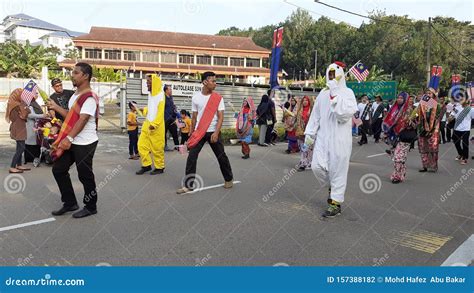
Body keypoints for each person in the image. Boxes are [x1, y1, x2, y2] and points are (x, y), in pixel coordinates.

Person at [304, 62, 357, 218]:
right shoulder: (322, 93)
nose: (332, 77)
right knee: (316, 166)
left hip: (340, 140)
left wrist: (334, 92)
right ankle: (332, 187)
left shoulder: (348, 93)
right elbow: (316, 115)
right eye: (330, 74)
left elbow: (343, 115)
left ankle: (335, 203)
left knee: (338, 171)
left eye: (334, 74)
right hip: (323, 137)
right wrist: (310, 134)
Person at [47, 62, 100, 218]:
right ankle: (70, 203)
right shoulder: (75, 96)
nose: (72, 75)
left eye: (76, 72)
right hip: (72, 140)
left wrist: (68, 138)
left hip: (85, 142)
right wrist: (56, 107)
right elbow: (71, 116)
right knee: (58, 169)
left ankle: (91, 206)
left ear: (85, 76)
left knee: (85, 175)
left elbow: (82, 120)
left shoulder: (89, 97)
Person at [177, 71, 233, 194]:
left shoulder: (218, 98)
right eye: (213, 81)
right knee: (192, 157)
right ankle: (188, 185)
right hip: (200, 132)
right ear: (205, 82)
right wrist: (191, 133)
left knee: (221, 156)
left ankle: (229, 179)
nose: (215, 84)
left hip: (213, 131)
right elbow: (194, 117)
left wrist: (216, 132)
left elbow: (221, 117)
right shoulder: (196, 97)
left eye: (215, 81)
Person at [136, 74, 166, 175]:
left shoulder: (161, 95)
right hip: (147, 123)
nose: (147, 84)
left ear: (155, 83)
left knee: (157, 148)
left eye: (149, 82)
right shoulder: (151, 94)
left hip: (156, 126)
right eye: (146, 82)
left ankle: (159, 167)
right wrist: (143, 109)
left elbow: (160, 112)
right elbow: (152, 109)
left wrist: (155, 124)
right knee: (141, 145)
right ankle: (146, 165)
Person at [383, 93, 416, 183]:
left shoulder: (410, 110)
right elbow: (389, 121)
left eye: (401, 98)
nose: (399, 99)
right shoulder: (394, 109)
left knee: (398, 157)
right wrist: (386, 132)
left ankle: (396, 176)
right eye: (398, 97)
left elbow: (415, 124)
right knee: (397, 157)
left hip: (404, 136)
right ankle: (401, 172)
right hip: (394, 137)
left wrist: (408, 122)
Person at [6, 88, 31, 173]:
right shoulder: (17, 105)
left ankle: (19, 165)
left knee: (19, 147)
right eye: (21, 95)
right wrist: (25, 106)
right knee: (21, 148)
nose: (23, 97)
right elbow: (25, 114)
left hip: (16, 127)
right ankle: (12, 166)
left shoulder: (12, 103)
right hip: (19, 128)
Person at [417, 88, 442, 173]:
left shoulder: (437, 105)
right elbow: (417, 115)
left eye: (430, 93)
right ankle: (425, 166)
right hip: (422, 128)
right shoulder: (421, 105)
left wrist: (431, 129)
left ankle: (433, 166)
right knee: (423, 148)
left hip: (433, 130)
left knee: (432, 149)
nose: (428, 95)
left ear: (434, 95)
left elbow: (438, 118)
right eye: (427, 93)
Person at [449, 93, 474, 165]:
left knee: (465, 143)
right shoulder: (457, 108)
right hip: (457, 128)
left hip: (466, 129)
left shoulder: (471, 110)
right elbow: (452, 115)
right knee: (456, 141)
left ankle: (465, 158)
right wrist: (450, 118)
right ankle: (460, 153)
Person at [25, 90, 48, 164]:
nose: (37, 95)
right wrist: (42, 116)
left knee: (35, 142)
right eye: (35, 93)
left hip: (35, 125)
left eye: (37, 93)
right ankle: (30, 159)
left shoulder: (34, 103)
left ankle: (35, 157)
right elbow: (29, 115)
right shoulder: (29, 104)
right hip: (30, 126)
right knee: (31, 142)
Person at [295, 96, 313, 171]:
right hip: (300, 132)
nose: (305, 102)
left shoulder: (312, 111)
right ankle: (303, 162)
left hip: (309, 133)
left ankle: (307, 163)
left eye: (307, 100)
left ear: (309, 102)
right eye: (304, 100)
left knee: (308, 148)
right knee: (302, 148)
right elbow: (295, 119)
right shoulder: (299, 111)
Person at [163, 85, 180, 151]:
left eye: (171, 89)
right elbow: (163, 109)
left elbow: (172, 106)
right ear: (166, 90)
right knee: (164, 133)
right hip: (166, 119)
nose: (171, 91)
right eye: (170, 89)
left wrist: (175, 110)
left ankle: (177, 146)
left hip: (172, 118)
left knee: (175, 132)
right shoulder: (163, 98)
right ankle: (164, 146)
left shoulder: (171, 97)